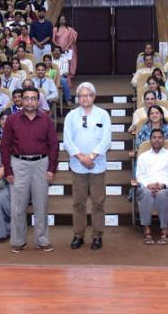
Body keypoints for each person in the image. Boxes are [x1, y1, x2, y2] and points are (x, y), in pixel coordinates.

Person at [0, 87, 59, 253]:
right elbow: (4, 147)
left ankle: (42, 240)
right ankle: (18, 241)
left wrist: (51, 169)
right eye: (26, 98)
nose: (30, 101)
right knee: (18, 207)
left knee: (41, 205)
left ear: (38, 101)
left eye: (33, 98)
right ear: (21, 100)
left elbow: (54, 145)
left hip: (41, 164)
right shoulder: (12, 120)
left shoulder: (46, 120)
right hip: (18, 164)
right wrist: (8, 171)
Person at [63, 83, 111, 250]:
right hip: (78, 165)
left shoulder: (103, 115)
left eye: (88, 95)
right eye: (82, 95)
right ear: (78, 97)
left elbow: (106, 140)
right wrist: (81, 158)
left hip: (97, 165)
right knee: (78, 203)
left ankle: (97, 235)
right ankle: (78, 235)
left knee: (98, 202)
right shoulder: (71, 116)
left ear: (94, 97)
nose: (85, 98)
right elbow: (67, 140)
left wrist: (91, 157)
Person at [135, 128, 168, 245]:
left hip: (166, 188)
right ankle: (147, 230)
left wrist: (163, 185)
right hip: (147, 187)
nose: (157, 140)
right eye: (154, 137)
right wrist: (148, 185)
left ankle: (164, 230)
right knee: (146, 193)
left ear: (164, 139)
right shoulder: (143, 156)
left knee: (161, 194)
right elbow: (139, 175)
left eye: (160, 137)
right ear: (150, 140)